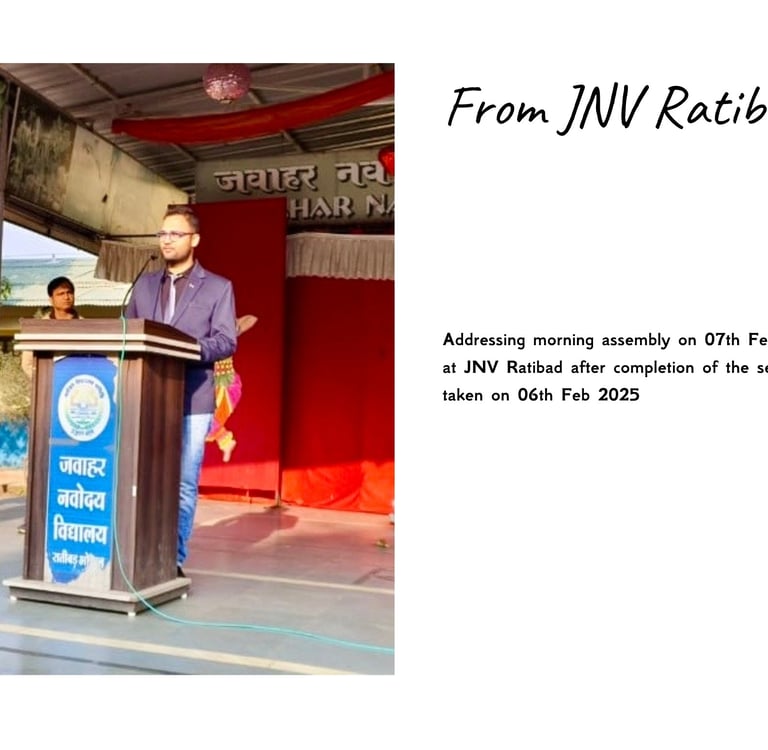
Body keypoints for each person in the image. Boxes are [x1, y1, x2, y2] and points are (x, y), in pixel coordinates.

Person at [125, 204, 237, 578]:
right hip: (147, 396)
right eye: (162, 234)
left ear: (195, 239)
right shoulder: (143, 285)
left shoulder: (218, 287)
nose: (167, 240)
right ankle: (140, 552)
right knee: (143, 477)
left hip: (193, 397)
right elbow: (127, 332)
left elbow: (226, 340)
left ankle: (172, 558)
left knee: (183, 482)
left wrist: (187, 348)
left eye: (175, 234)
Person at [18, 276, 81, 533]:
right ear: (51, 299)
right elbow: (27, 364)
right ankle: (34, 515)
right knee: (39, 456)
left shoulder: (87, 326)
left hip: (76, 404)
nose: (66, 297)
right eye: (61, 293)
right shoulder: (38, 327)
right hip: (46, 400)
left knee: (74, 457)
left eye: (69, 292)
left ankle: (71, 512)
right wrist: (50, 382)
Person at [206, 313, 257, 463]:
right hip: (217, 386)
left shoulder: (224, 331)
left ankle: (225, 442)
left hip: (223, 386)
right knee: (207, 423)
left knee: (206, 422)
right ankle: (226, 442)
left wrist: (234, 328)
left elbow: (252, 319)